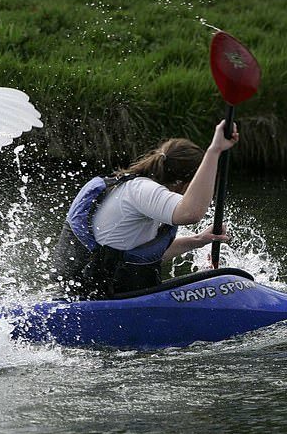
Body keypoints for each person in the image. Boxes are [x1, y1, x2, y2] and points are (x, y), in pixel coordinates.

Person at [51, 120, 239, 299]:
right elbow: (191, 213)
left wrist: (198, 240)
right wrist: (215, 151)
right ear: (182, 183)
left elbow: (141, 258)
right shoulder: (140, 190)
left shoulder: (144, 197)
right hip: (93, 301)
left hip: (104, 295)